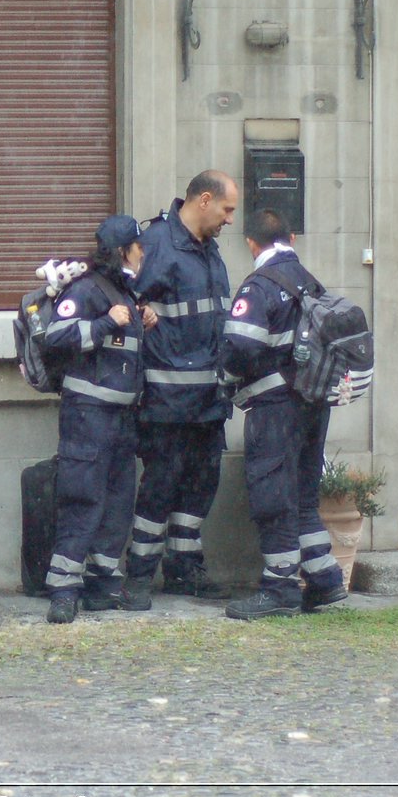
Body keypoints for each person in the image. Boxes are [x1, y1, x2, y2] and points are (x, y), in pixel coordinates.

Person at [220, 208, 348, 619]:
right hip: (313, 403)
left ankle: (279, 587)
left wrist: (225, 375)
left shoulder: (258, 286)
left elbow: (240, 347)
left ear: (251, 242)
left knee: (272, 494)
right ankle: (325, 578)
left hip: (275, 408)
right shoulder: (310, 282)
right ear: (291, 238)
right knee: (303, 494)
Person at [120, 169, 238, 609]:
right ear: (203, 200)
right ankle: (137, 575)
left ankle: (184, 570)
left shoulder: (209, 252)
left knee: (200, 485)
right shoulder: (157, 245)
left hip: (209, 400)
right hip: (166, 398)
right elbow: (122, 302)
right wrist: (141, 313)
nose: (230, 219)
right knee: (160, 485)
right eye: (226, 209)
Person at [34, 215, 146, 623]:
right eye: (138, 247)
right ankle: (63, 588)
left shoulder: (124, 292)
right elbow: (56, 336)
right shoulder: (85, 291)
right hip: (88, 417)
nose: (143, 254)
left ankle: (103, 583)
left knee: (117, 502)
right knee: (82, 498)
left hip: (121, 418)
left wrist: (139, 320)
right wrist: (105, 322)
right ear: (122, 251)